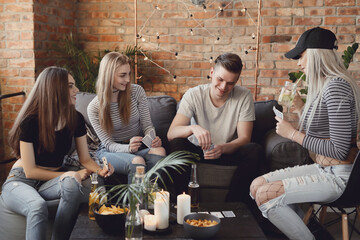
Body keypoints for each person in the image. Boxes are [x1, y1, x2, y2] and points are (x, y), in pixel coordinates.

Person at [250, 27, 360, 240]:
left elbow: (339, 149)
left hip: (341, 176)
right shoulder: (326, 85)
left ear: (317, 54)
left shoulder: (336, 87)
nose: (298, 63)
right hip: (324, 168)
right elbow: (323, 130)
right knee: (257, 186)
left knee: (265, 195)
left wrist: (291, 134)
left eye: (301, 56)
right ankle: (310, 232)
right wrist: (300, 107)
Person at [1, 67, 114, 240]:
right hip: (21, 180)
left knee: (70, 183)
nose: (76, 90)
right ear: (54, 90)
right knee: (37, 206)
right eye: (70, 86)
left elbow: (85, 158)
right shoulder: (30, 122)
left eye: (74, 85)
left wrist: (100, 169)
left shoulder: (76, 119)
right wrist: (72, 173)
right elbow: (30, 171)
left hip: (50, 181)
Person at [167, 52, 264, 203]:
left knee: (254, 149)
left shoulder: (244, 96)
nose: (224, 87)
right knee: (176, 143)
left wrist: (223, 148)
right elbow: (171, 133)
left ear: (237, 81)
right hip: (198, 151)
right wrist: (193, 129)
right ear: (211, 73)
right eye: (220, 79)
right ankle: (184, 202)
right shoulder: (194, 94)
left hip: (227, 151)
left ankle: (233, 205)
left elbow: (245, 139)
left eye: (231, 83)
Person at [87, 52, 166, 183]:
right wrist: (128, 148)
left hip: (138, 147)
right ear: (108, 76)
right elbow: (108, 144)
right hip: (110, 151)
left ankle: (152, 198)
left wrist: (152, 138)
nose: (128, 79)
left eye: (129, 74)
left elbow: (147, 126)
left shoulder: (136, 92)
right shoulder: (94, 108)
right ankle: (136, 203)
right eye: (122, 75)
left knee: (159, 151)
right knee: (137, 162)